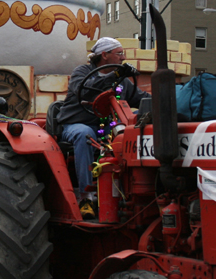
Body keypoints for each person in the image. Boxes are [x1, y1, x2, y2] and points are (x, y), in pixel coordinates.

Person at [57, 37, 150, 219]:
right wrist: (115, 76)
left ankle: (126, 193)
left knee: (125, 137)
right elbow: (85, 90)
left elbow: (140, 97)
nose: (122, 58)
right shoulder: (82, 72)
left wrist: (166, 98)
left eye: (123, 54)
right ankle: (85, 197)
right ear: (104, 55)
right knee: (86, 134)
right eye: (119, 53)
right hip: (75, 125)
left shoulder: (122, 81)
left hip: (107, 128)